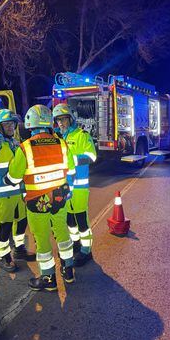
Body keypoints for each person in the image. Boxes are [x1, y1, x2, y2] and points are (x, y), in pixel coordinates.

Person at [4, 105, 76, 291]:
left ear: (30, 124)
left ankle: (48, 279)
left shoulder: (25, 148)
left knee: (42, 238)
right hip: (60, 197)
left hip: (37, 201)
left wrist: (8, 177)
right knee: (63, 233)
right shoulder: (61, 143)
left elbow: (13, 177)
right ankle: (68, 272)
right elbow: (71, 169)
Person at [0, 109, 32, 273]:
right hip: (2, 194)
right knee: (5, 226)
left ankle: (19, 249)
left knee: (22, 221)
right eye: (7, 124)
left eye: (12, 124)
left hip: (18, 191)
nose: (11, 127)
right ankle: (4, 256)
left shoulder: (15, 142)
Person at [52, 103, 97, 267]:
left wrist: (71, 160)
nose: (61, 123)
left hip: (79, 187)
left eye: (64, 119)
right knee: (70, 220)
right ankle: (76, 244)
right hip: (65, 187)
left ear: (70, 119)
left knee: (81, 221)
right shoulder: (58, 139)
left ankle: (86, 251)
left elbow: (92, 156)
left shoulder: (82, 135)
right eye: (58, 121)